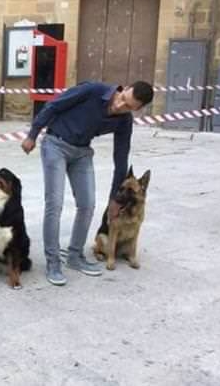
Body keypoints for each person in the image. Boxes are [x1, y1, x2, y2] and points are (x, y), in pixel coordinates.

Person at [20, 80, 154, 286]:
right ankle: (53, 262)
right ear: (124, 88)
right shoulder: (93, 90)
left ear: (137, 109)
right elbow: (54, 105)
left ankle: (74, 256)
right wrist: (32, 134)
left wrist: (114, 201)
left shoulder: (124, 121)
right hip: (55, 144)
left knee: (88, 204)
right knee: (54, 204)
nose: (120, 106)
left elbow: (120, 160)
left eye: (128, 107)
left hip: (82, 152)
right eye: (123, 99)